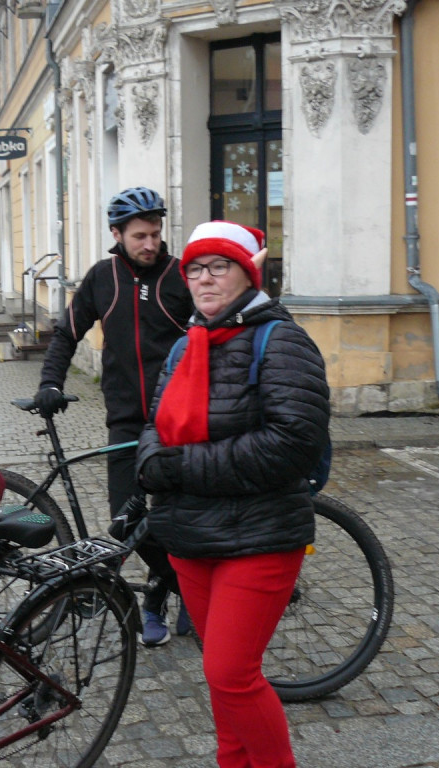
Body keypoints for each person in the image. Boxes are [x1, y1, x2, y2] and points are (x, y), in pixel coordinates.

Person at [136, 220, 330, 768]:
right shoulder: (185, 345)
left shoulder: (282, 340)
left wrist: (181, 467)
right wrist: (150, 460)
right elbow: (156, 421)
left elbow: (292, 443)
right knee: (220, 676)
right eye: (195, 269)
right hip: (190, 535)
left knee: (230, 672)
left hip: (261, 534)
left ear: (247, 273)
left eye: (218, 267)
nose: (204, 279)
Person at [34, 186, 193, 646]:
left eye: (156, 234)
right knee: (127, 522)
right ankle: (183, 588)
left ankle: (157, 600)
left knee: (179, 519)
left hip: (179, 420)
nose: (150, 244)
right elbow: (66, 334)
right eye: (140, 236)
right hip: (126, 420)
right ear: (117, 234)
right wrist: (50, 383)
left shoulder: (181, 276)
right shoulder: (101, 278)